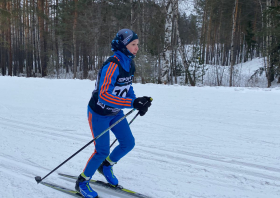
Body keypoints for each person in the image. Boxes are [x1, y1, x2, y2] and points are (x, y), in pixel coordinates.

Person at [75, 29, 152, 198]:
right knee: (101, 150)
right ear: (123, 46)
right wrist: (131, 102)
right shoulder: (112, 64)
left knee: (128, 143)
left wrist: (137, 101)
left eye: (137, 44)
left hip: (115, 112)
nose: (137, 48)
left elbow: (127, 87)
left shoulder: (130, 64)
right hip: (99, 113)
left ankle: (106, 166)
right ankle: (81, 182)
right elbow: (103, 95)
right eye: (133, 44)